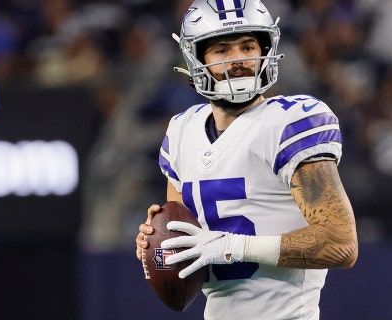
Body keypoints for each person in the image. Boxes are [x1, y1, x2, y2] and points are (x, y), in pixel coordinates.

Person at [135, 1, 358, 319]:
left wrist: (231, 246)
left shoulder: (291, 122)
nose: (238, 59)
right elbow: (183, 242)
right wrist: (157, 244)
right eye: (222, 49)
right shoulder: (181, 131)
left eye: (248, 46)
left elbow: (340, 243)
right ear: (197, 57)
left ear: (266, 50)